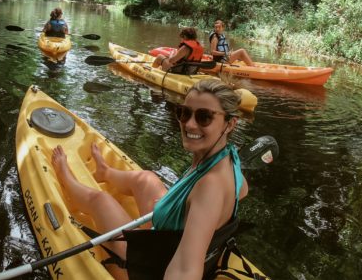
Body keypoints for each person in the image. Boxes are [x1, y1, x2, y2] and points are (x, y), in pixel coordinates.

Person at [51, 78, 248, 280]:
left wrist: (203, 206)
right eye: (184, 112)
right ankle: (105, 172)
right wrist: (184, 214)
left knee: (101, 201)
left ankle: (66, 178)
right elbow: (242, 192)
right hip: (166, 242)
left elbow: (185, 270)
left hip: (151, 269)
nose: (189, 124)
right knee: (146, 179)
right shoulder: (230, 159)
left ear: (230, 124)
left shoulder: (210, 186)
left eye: (204, 117)